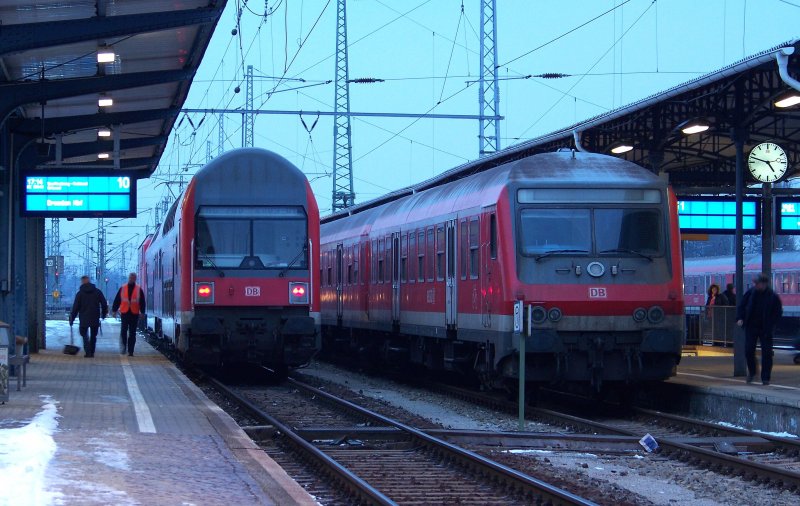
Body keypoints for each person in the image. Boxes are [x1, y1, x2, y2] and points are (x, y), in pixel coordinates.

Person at [737, 273, 783, 385]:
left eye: (758, 283)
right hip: (751, 326)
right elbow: (742, 306)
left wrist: (772, 324)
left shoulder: (772, 296)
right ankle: (752, 372)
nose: (756, 285)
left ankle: (765, 377)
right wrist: (740, 318)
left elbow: (778, 312)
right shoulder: (750, 293)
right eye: (755, 283)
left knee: (766, 353)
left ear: (764, 284)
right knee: (748, 350)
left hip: (765, 328)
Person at [69, 276, 109, 358]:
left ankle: (88, 352)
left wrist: (72, 319)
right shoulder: (97, 292)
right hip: (95, 316)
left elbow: (75, 307)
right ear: (89, 281)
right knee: (93, 335)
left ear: (82, 282)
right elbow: (104, 304)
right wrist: (103, 314)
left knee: (84, 335)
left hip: (84, 317)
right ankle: (92, 351)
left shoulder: (80, 294)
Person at [112, 273, 146, 356]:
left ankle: (131, 351)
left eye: (133, 278)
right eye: (130, 278)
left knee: (132, 333)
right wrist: (114, 310)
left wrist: (142, 312)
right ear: (128, 278)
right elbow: (117, 300)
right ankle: (124, 347)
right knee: (123, 331)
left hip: (134, 313)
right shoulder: (123, 288)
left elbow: (142, 302)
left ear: (135, 279)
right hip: (125, 312)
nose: (132, 279)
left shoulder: (138, 289)